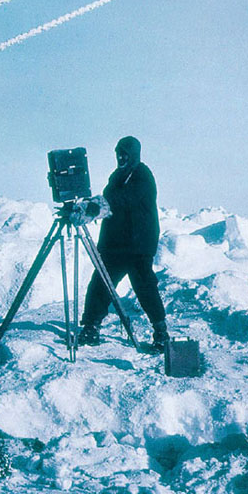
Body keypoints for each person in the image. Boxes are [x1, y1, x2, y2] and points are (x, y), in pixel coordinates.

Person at [78, 136, 169, 351]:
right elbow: (111, 202)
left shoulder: (143, 175)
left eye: (124, 153)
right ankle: (91, 327)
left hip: (138, 246)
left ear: (134, 154)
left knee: (144, 287)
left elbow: (124, 199)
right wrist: (90, 207)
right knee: (100, 284)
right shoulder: (117, 176)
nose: (120, 156)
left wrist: (95, 207)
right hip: (116, 245)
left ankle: (161, 332)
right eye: (118, 152)